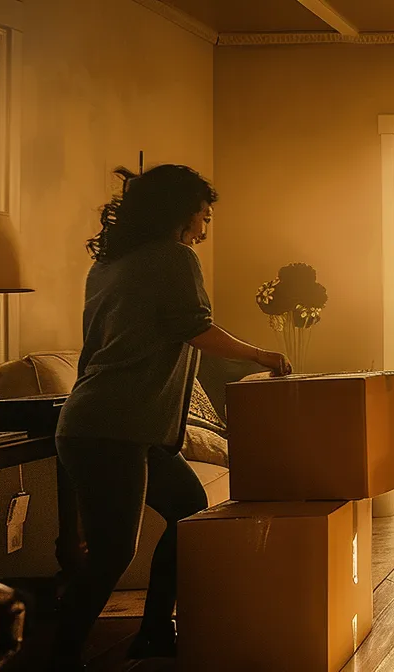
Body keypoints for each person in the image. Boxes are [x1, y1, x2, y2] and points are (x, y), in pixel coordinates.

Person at [53, 165, 290, 669]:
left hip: (113, 426)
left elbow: (94, 348)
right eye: (203, 217)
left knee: (187, 507)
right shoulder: (174, 258)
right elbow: (196, 329)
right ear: (181, 213)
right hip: (111, 427)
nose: (205, 230)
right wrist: (264, 356)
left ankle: (156, 631)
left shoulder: (109, 265)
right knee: (115, 551)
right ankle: (55, 654)